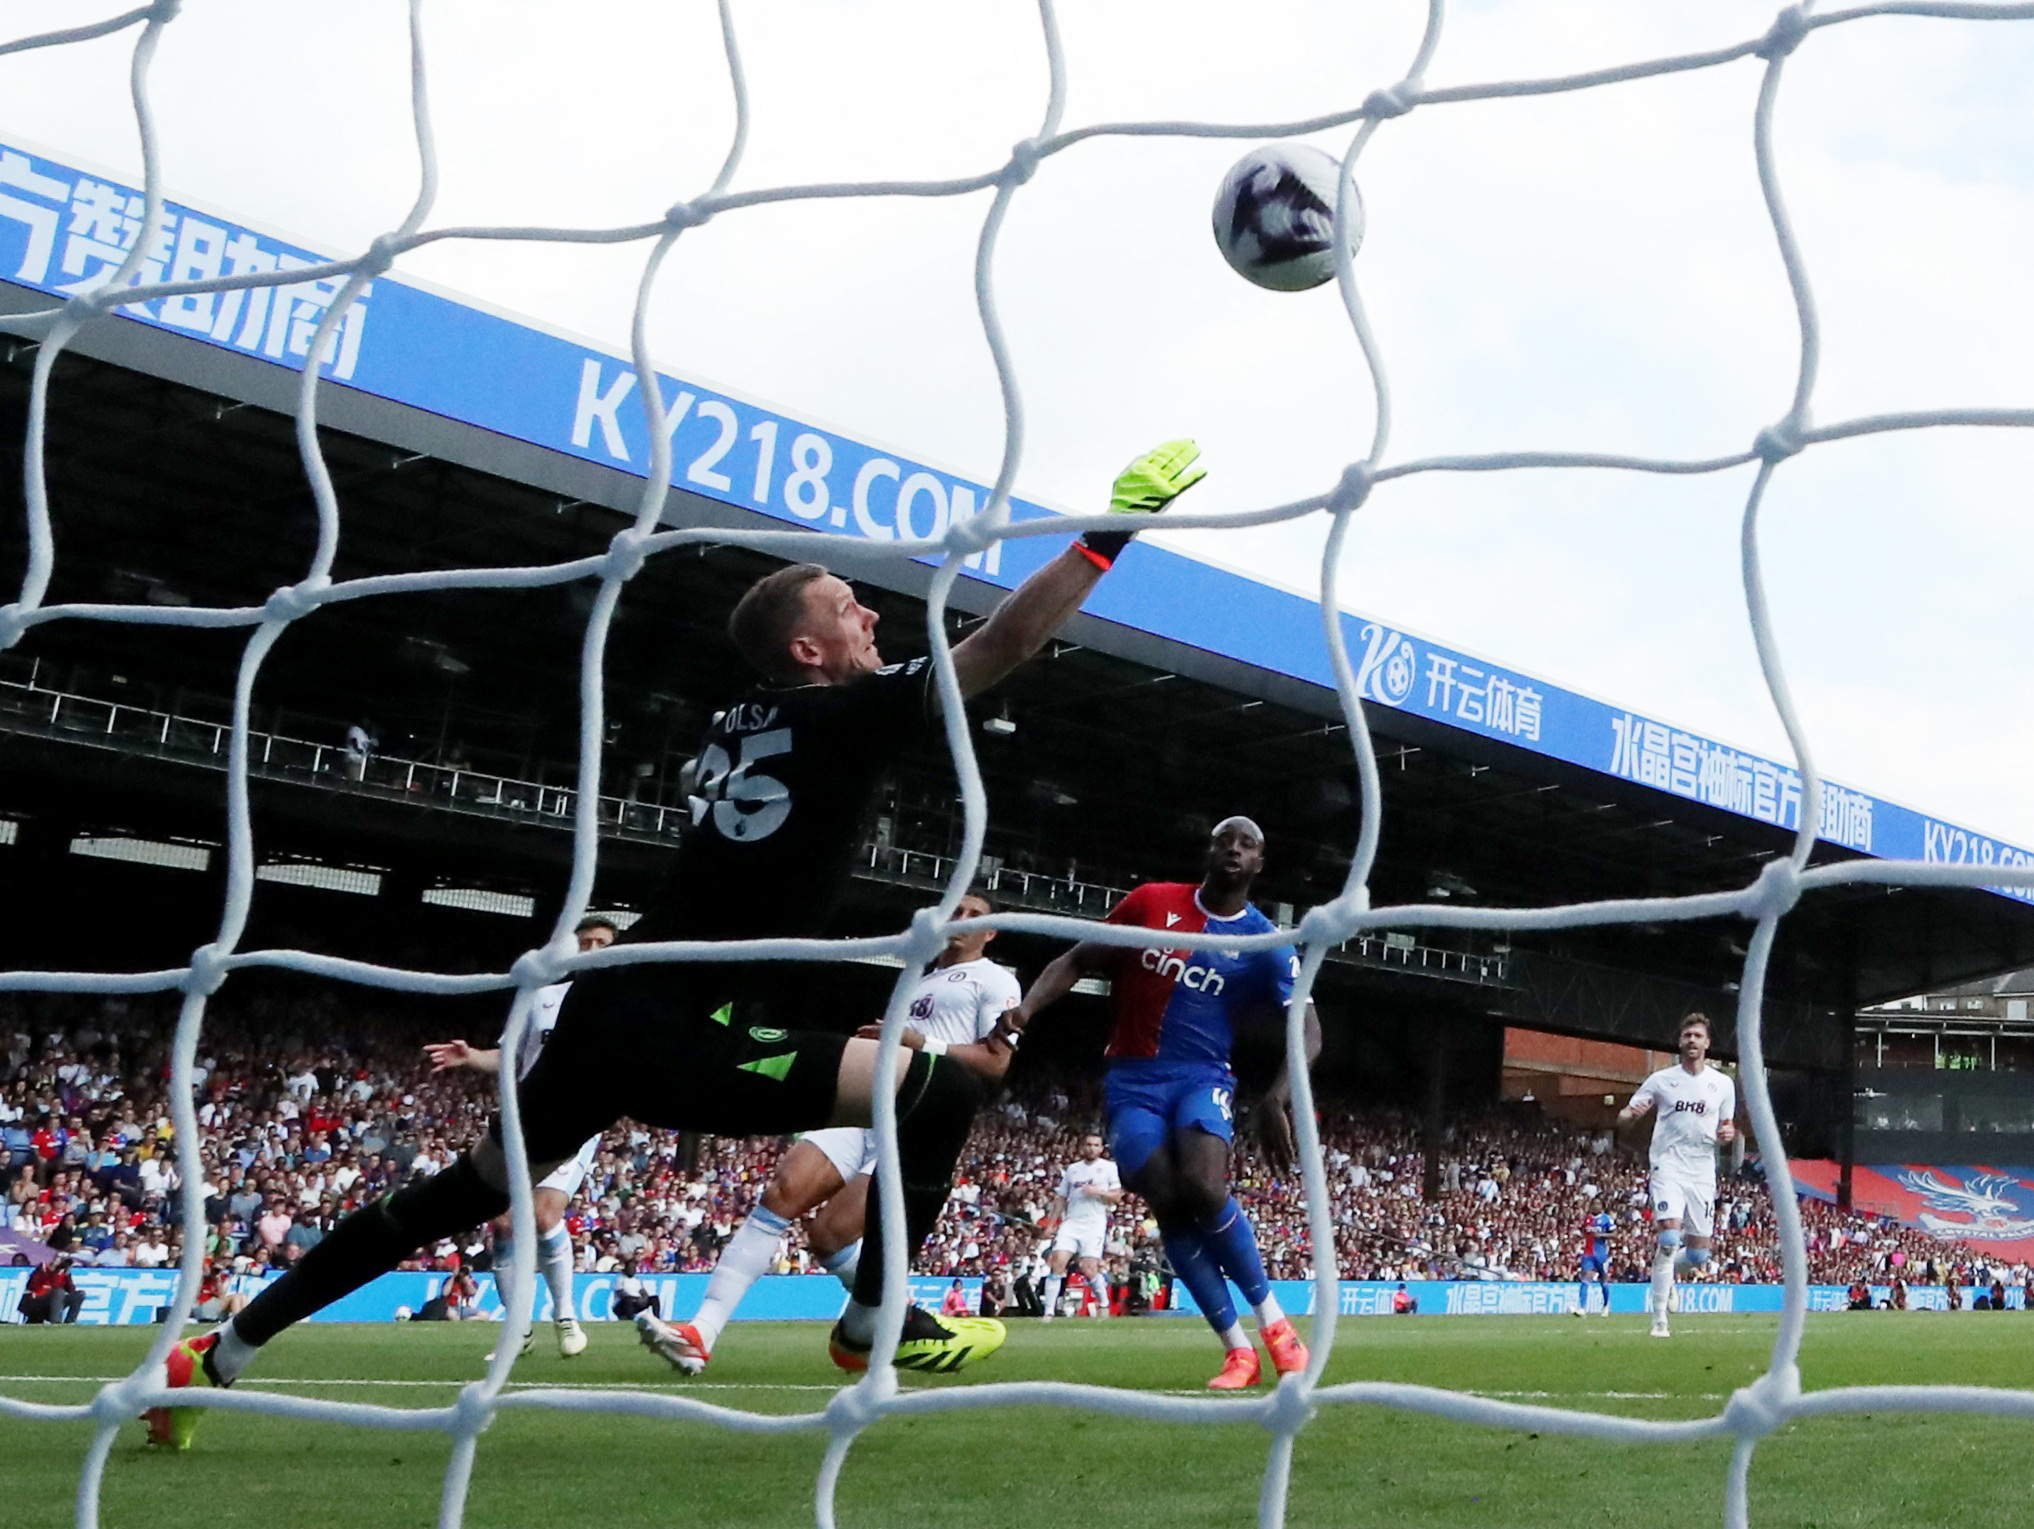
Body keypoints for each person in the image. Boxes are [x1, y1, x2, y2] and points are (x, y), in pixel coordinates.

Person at [144, 438, 1206, 1449]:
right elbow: (1001, 646)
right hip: (674, 1019)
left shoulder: (748, 714)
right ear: (808, 649)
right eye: (847, 608)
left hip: (630, 996)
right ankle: (872, 1326)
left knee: (464, 1188)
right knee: (941, 1092)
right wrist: (1105, 533)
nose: (871, 611)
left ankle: (216, 1355)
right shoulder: (840, 716)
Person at [641, 891, 1020, 1374]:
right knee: (781, 1192)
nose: (959, 921)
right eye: (955, 912)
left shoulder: (996, 980)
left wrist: (919, 1043)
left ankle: (892, 1319)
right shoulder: (922, 979)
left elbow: (996, 1061)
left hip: (915, 1118)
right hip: (871, 1102)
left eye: (974, 917)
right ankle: (702, 1333)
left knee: (828, 1235)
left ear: (991, 933)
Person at [1013, 816, 1320, 1390]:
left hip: (1202, 1077)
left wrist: (1277, 1096)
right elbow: (1078, 959)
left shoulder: (1263, 944)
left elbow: (1307, 1026)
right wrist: (1025, 1012)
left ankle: (1276, 1327)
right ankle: (1237, 1351)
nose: (1234, 848)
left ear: (1260, 864)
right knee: (1169, 1201)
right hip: (1133, 1080)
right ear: (1208, 851)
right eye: (1225, 839)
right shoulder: (1151, 904)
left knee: (1205, 1187)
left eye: (1247, 843)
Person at [424, 914, 619, 1361]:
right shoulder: (542, 997)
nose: (591, 951)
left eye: (601, 944)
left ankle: (566, 1316)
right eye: (584, 943)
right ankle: (518, 1332)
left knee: (545, 1214)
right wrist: (471, 1055)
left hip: (579, 1121)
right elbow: (510, 1057)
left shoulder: (620, 1005)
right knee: (505, 1223)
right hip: (527, 1119)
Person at [1617, 1012, 1737, 1339]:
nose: (1692, 1041)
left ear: (1707, 1043)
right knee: (1669, 1239)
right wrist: (1630, 1114)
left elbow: (1726, 1126)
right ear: (1680, 1042)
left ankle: (1668, 1279)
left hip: (1701, 1170)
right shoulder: (1660, 1080)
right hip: (1667, 1164)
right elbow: (1623, 1119)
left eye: (1698, 1036)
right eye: (1687, 1036)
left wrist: (1727, 1134)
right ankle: (1659, 1321)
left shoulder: (1723, 1084)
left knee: (1698, 1255)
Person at [1039, 1132, 1122, 1322]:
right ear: (1082, 1147)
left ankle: (1104, 1303)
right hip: (1071, 1222)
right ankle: (1048, 1312)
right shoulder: (1073, 1169)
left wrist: (1097, 1191)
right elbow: (1061, 1197)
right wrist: (1051, 1224)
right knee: (1057, 1261)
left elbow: (1117, 1195)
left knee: (1089, 1268)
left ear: (1101, 1149)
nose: (1091, 1148)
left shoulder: (1109, 1168)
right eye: (1088, 1144)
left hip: (1094, 1223)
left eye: (1095, 1145)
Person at [19, 1254, 85, 1324]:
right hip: (37, 1300)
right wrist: (52, 1269)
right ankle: (56, 1322)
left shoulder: (63, 1274)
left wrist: (66, 1275)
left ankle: (70, 1322)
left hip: (55, 1301)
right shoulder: (43, 1268)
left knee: (79, 1294)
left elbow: (71, 1290)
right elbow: (33, 1286)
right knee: (58, 1292)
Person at [1572, 1210, 1615, 1317]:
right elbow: (1583, 1232)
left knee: (1603, 1280)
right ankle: (1582, 1308)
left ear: (1601, 1206)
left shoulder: (1606, 1219)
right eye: (1594, 1204)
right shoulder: (1587, 1219)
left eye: (1598, 1204)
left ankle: (1606, 1305)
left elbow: (1614, 1234)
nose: (1596, 1206)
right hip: (1588, 1254)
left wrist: (1601, 1235)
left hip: (1601, 1254)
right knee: (1585, 1278)